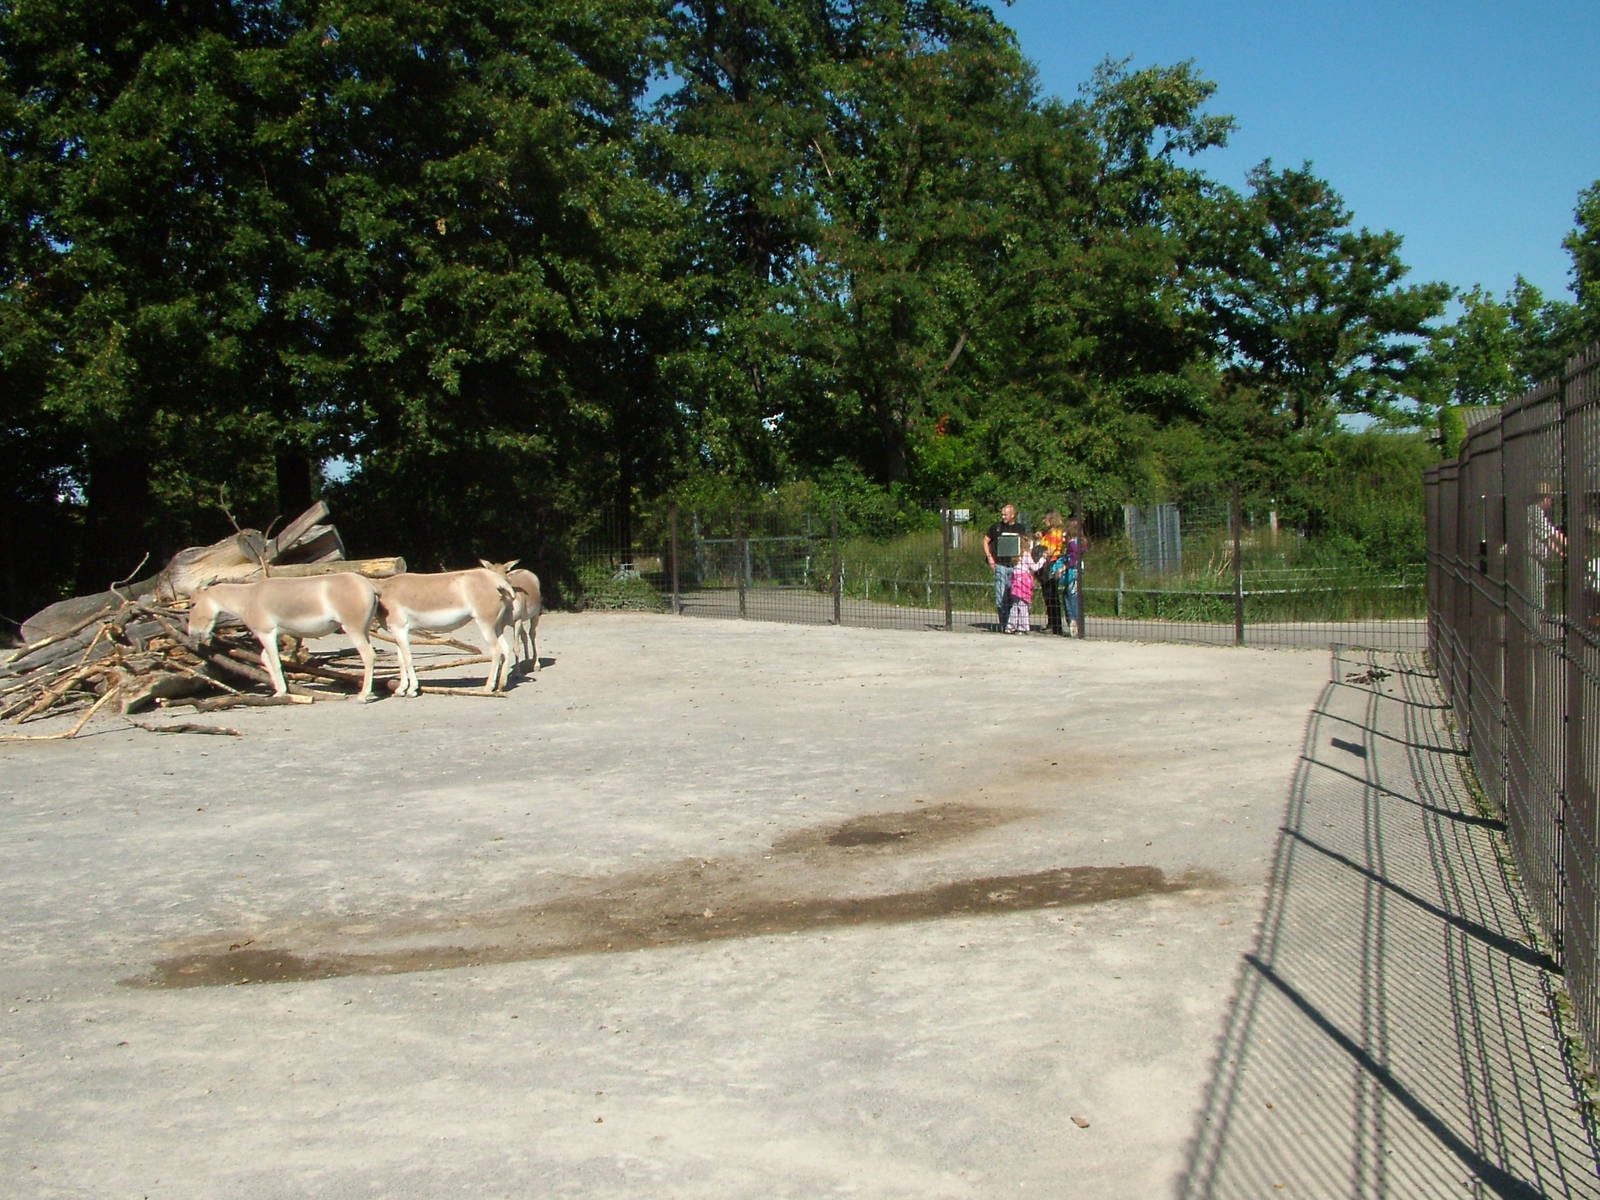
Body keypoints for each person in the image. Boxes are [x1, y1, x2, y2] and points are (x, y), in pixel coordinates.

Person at [983, 503, 1027, 632]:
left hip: (1015, 567)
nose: (1003, 516)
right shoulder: (996, 527)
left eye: (1005, 514)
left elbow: (1025, 543)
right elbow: (985, 540)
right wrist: (990, 557)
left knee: (1015, 597)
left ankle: (1014, 624)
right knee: (1001, 596)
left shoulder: (1020, 528)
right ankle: (1004, 624)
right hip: (1000, 565)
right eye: (1002, 514)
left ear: (1013, 515)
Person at [1033, 511, 1067, 635]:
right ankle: (1051, 622)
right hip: (1044, 565)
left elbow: (1050, 551)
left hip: (1051, 564)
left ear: (1051, 520)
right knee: (1047, 596)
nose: (1044, 521)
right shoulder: (1047, 533)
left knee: (1052, 595)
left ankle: (1056, 625)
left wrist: (1040, 551)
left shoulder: (1056, 534)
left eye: (1046, 519)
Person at [1059, 516, 1088, 638]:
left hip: (1072, 570)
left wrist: (1064, 567)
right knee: (1071, 595)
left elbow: (1073, 558)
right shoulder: (1082, 541)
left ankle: (1074, 620)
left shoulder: (1072, 544)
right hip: (1079, 570)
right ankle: (1074, 620)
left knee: (1070, 596)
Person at [1005, 539, 1039, 633]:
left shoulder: (1015, 556)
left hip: (1015, 581)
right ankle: (1023, 627)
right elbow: (1034, 567)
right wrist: (1042, 560)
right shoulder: (1026, 555)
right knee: (1023, 605)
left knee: (1014, 605)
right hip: (1024, 581)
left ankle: (1011, 626)